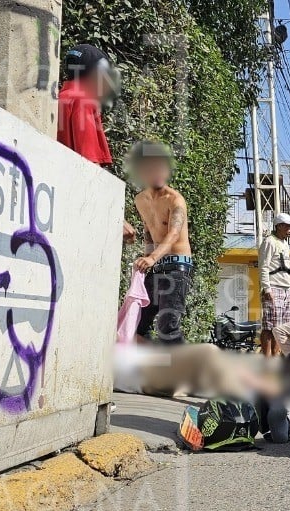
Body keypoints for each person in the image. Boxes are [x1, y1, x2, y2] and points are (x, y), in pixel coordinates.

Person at [57, 44, 133, 243]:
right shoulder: (84, 101)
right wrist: (115, 217)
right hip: (78, 206)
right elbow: (90, 166)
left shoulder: (59, 98)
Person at [130, 141, 193, 345]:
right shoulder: (140, 200)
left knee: (168, 326)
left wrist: (151, 258)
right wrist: (146, 258)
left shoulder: (175, 200)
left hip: (177, 268)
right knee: (136, 324)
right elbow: (149, 232)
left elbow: (173, 234)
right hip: (157, 267)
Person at [259, 213, 290, 356]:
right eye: (288, 226)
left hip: (286, 290)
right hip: (273, 288)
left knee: (281, 328)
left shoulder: (285, 244)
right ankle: (267, 360)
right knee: (269, 327)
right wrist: (267, 289)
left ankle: (276, 358)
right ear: (279, 226)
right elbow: (263, 266)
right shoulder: (269, 241)